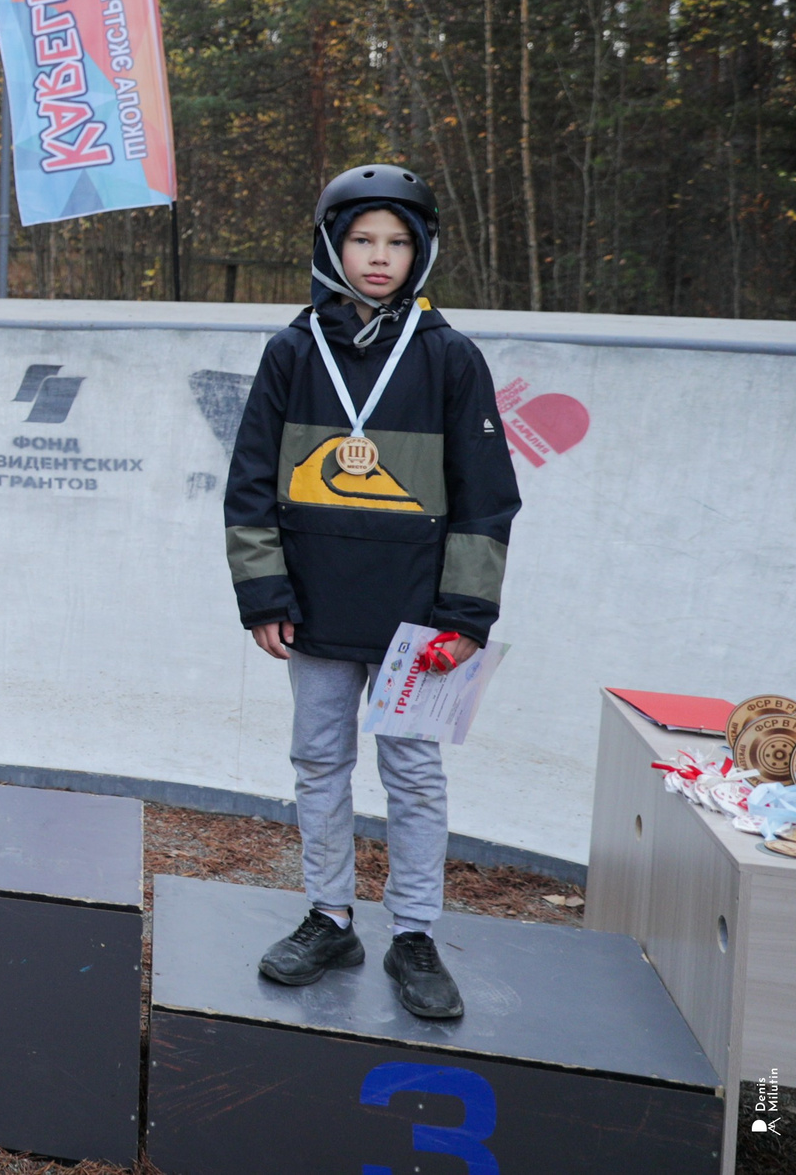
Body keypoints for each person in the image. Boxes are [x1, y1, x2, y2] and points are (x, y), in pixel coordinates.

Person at [225, 164, 521, 1021]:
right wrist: (264, 593)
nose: (379, 257)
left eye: (397, 242)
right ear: (333, 246)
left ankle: (416, 932)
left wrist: (465, 616)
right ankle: (329, 915)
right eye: (362, 240)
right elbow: (249, 484)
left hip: (416, 623)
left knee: (413, 773)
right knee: (319, 761)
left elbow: (486, 499)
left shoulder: (451, 358)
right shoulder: (291, 351)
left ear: (421, 250)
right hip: (314, 611)